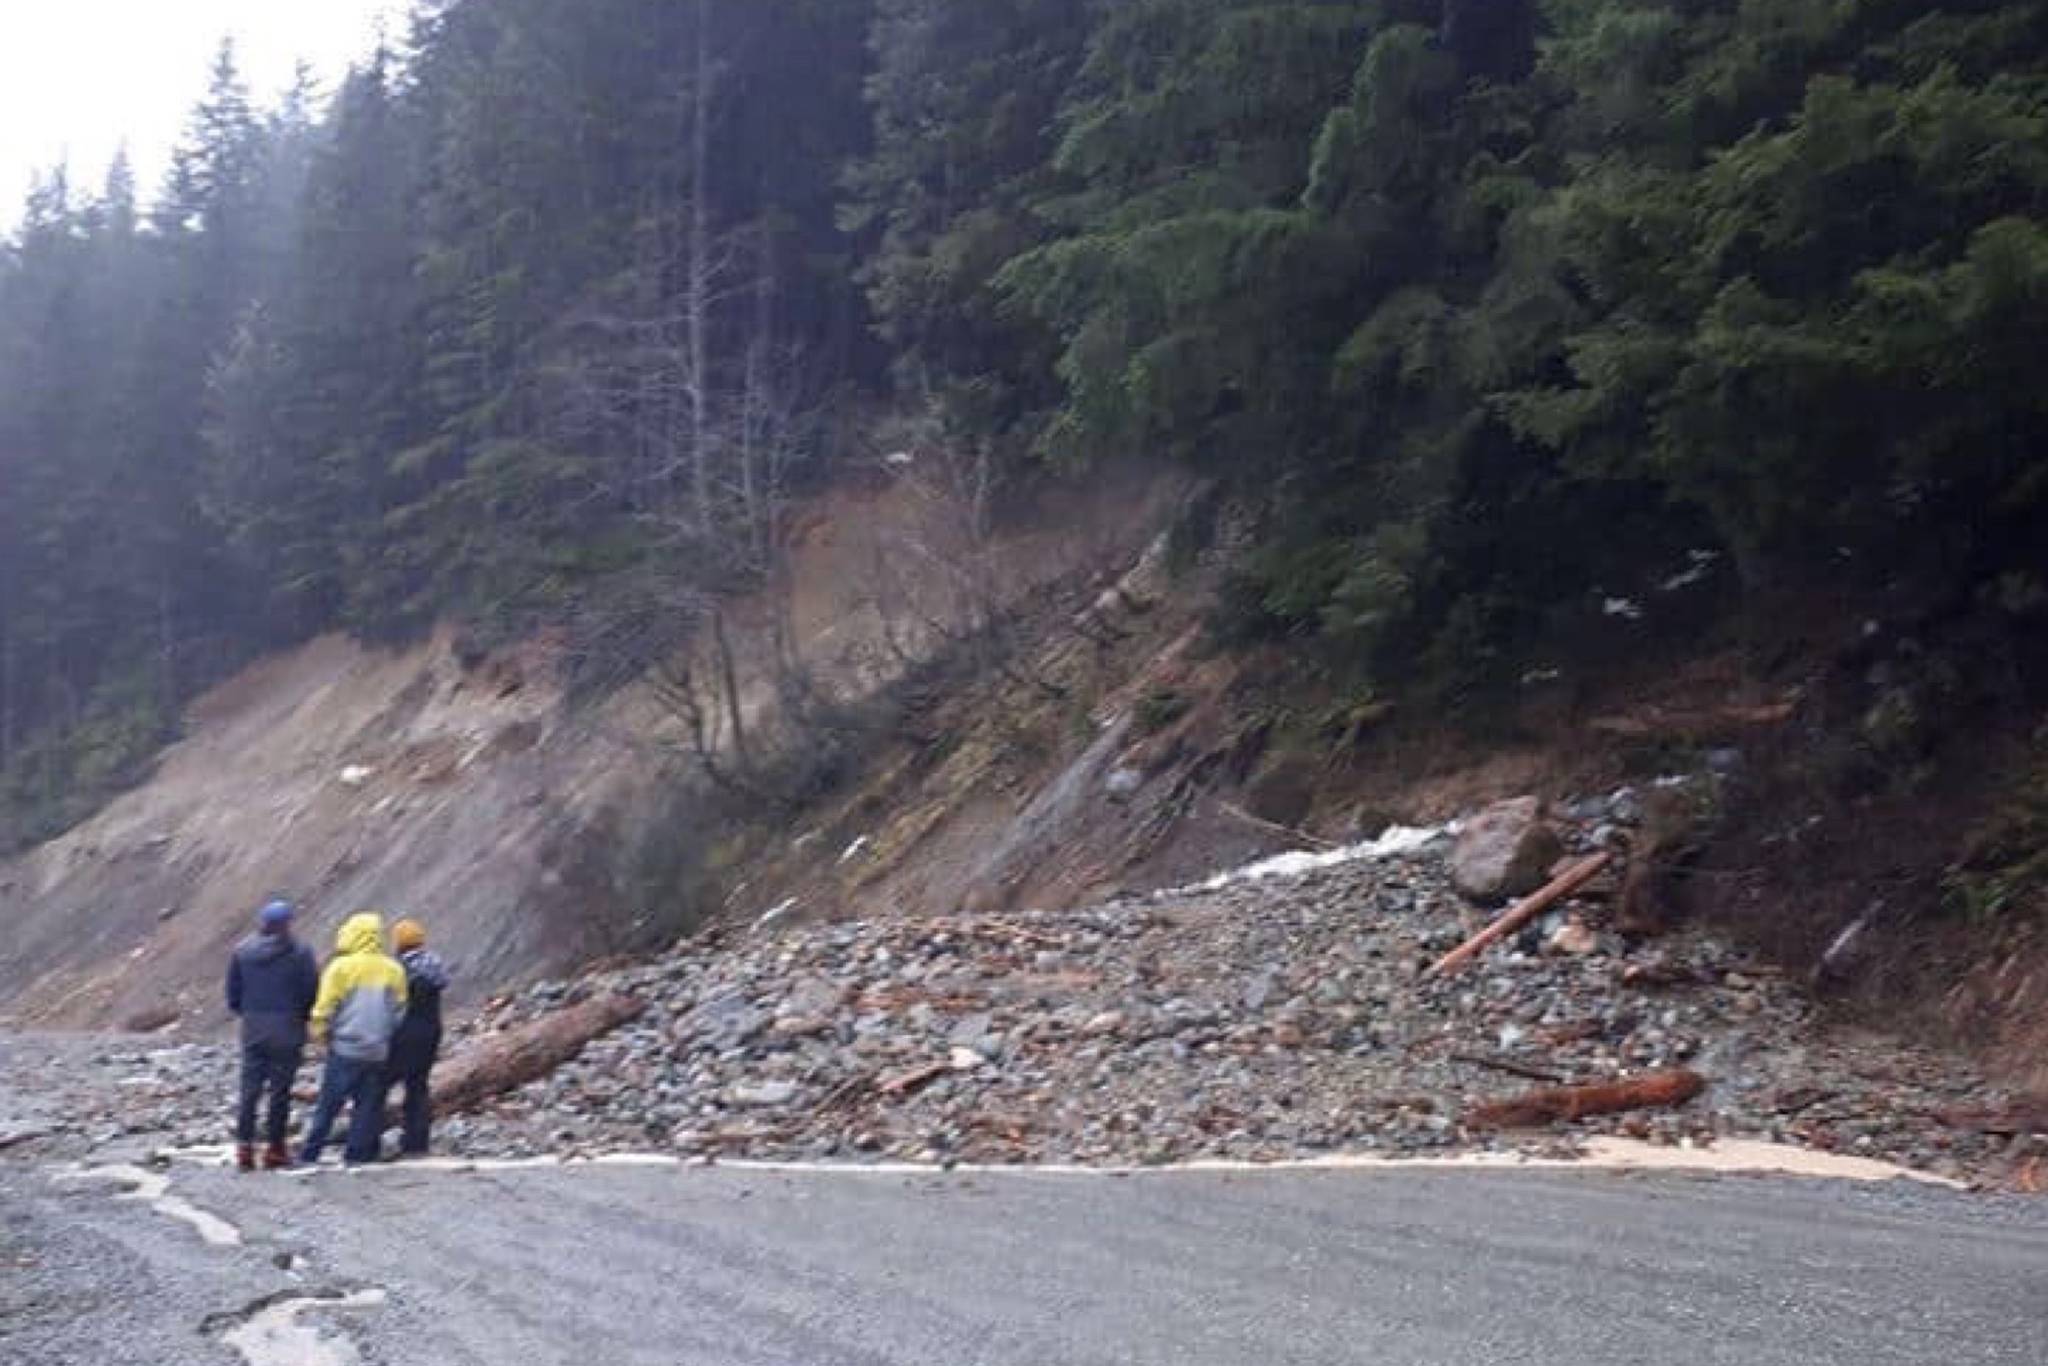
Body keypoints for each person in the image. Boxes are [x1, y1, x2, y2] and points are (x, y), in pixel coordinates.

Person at [298, 912, 408, 1167]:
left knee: (329, 1105)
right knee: (367, 1107)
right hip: (378, 1050)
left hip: (345, 1048)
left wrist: (320, 1034)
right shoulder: (394, 969)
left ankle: (310, 1153)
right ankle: (356, 1156)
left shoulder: (341, 968)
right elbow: (399, 1011)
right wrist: (384, 1034)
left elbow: (324, 1008)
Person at [225, 899, 319, 1172]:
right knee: (280, 1092)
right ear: (287, 923)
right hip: (288, 1029)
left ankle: (244, 1148)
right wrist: (301, 1016)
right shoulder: (300, 952)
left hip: (254, 1028)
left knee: (249, 1090)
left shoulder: (242, 952)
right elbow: (310, 991)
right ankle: (275, 1149)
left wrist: (250, 1013)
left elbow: (233, 995)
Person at [386, 919, 450, 1157]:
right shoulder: (434, 964)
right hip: (431, 1031)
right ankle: (417, 1141)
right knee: (418, 1086)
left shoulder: (398, 968)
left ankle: (366, 1137)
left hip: (404, 1032)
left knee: (381, 1083)